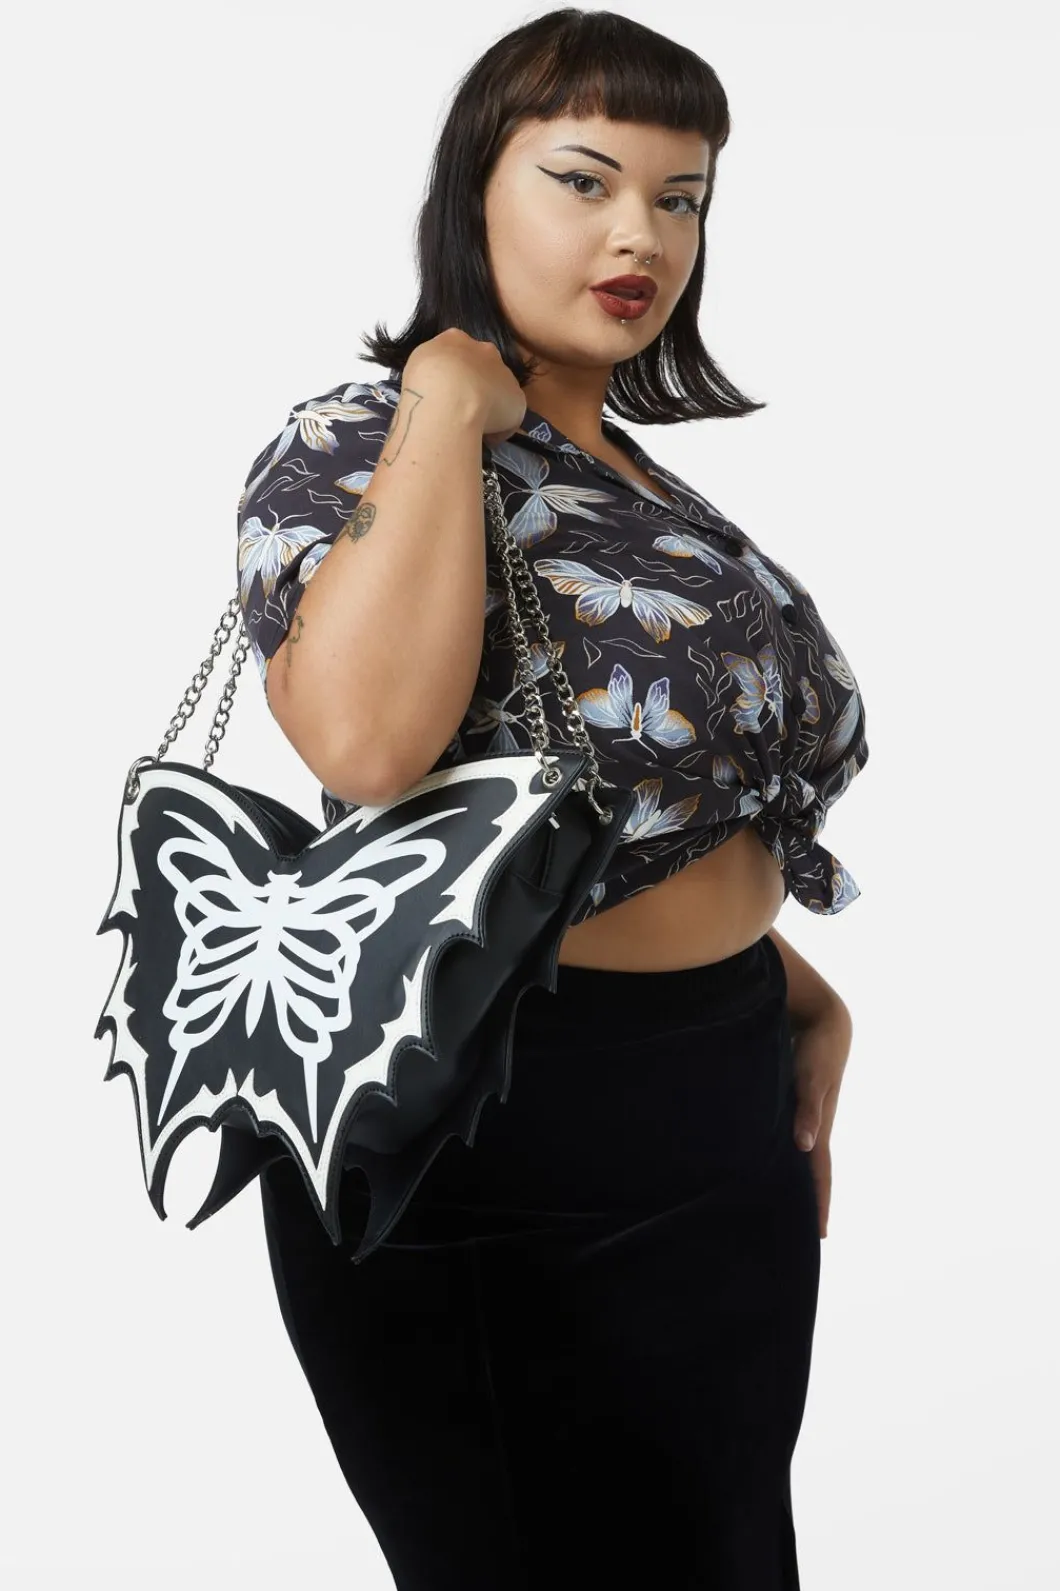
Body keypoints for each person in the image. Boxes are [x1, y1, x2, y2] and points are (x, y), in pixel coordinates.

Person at [235, 9, 868, 1587]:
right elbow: (367, 748)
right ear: (474, 189)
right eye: (585, 181)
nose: (640, 234)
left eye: (680, 196)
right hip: (497, 1124)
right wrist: (448, 405)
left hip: (712, 1101)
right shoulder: (357, 443)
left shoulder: (652, 487)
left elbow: (621, 808)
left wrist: (774, 977)